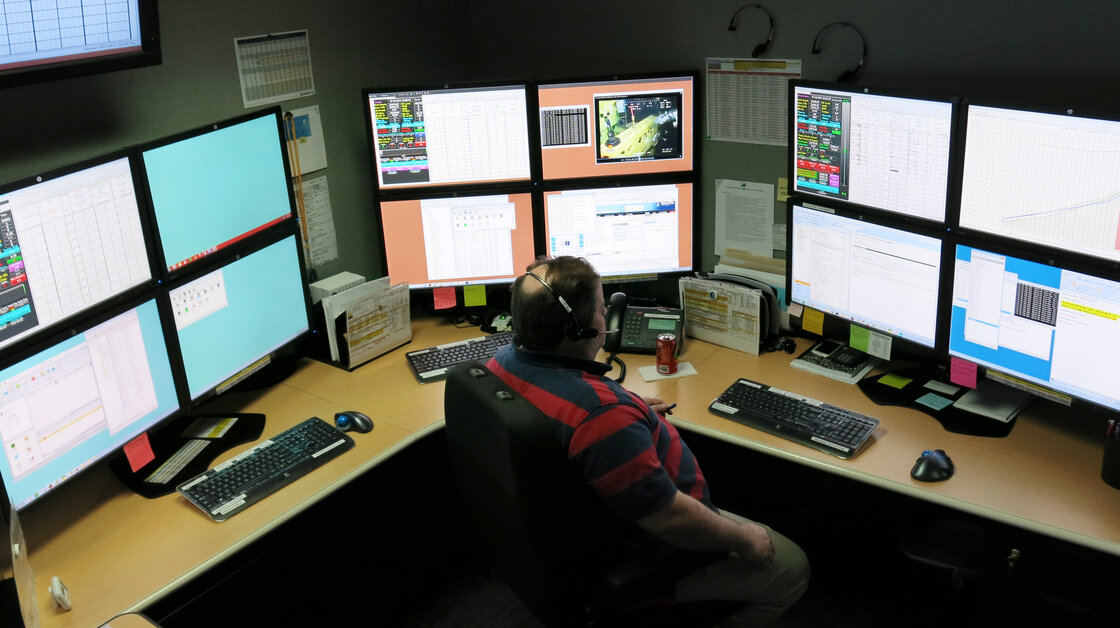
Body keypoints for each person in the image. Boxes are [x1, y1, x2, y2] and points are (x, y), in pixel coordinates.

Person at [486, 255, 810, 626]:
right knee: (792, 569)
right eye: (601, 308)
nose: (605, 315)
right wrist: (743, 539)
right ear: (578, 330)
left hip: (568, 535)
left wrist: (629, 411)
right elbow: (669, 517)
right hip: (657, 550)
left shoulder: (503, 363)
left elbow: (571, 411)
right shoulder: (602, 420)